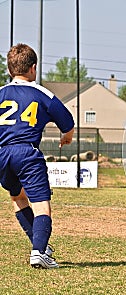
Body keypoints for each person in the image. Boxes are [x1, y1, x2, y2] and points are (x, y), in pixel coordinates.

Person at [0, 43, 74, 269]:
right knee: (41, 204)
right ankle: (39, 252)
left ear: (10, 69)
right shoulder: (41, 92)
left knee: (18, 197)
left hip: (2, 154)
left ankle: (39, 246)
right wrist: (67, 137)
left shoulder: (1, 93)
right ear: (33, 68)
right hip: (26, 152)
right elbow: (67, 121)